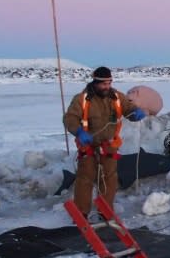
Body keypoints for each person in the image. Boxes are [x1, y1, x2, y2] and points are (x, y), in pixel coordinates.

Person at [63, 67, 147, 219]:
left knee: (109, 179)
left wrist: (136, 113)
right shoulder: (81, 99)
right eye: (103, 84)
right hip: (87, 146)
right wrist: (79, 132)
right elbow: (70, 118)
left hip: (109, 145)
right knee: (85, 178)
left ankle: (105, 212)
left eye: (109, 83)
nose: (106, 87)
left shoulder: (116, 97)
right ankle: (81, 214)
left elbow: (129, 109)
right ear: (95, 82)